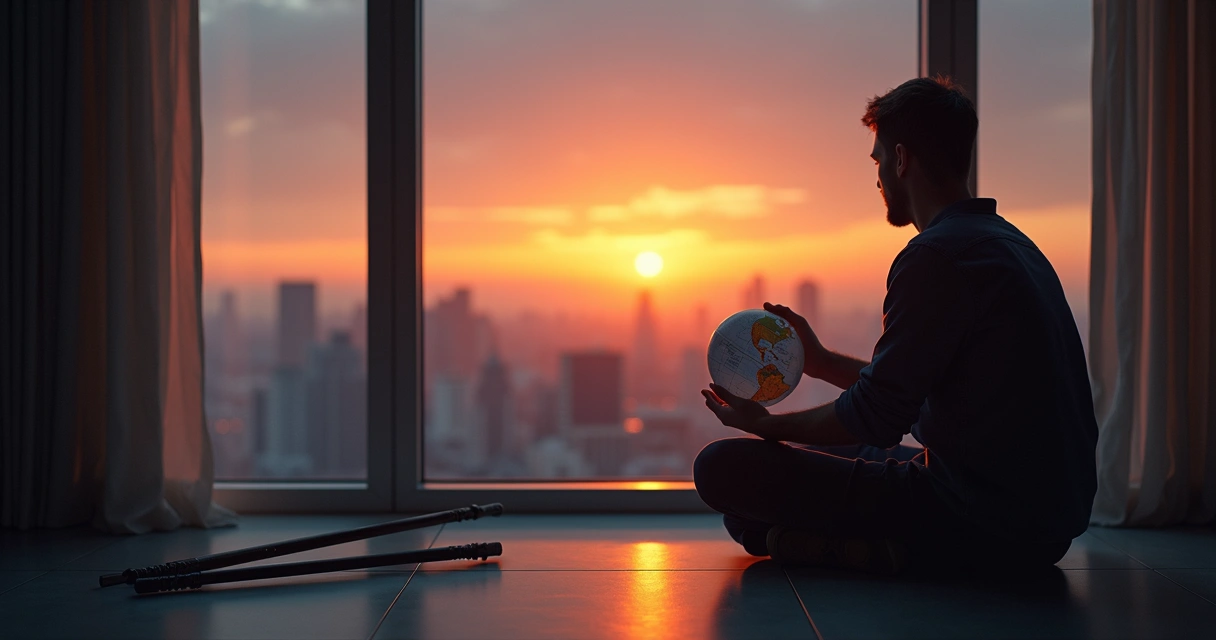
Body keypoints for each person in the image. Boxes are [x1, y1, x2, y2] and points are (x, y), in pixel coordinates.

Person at [694, 76, 1098, 574]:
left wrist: (766, 425)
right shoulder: (1009, 245)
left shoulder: (935, 257)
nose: (879, 176)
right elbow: (907, 396)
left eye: (880, 159)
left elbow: (876, 417)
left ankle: (902, 553)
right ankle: (853, 545)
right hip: (1046, 519)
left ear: (902, 159)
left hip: (982, 517)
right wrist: (819, 363)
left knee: (721, 471)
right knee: (778, 484)